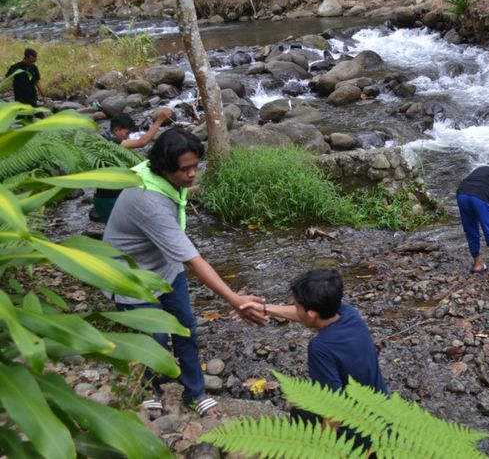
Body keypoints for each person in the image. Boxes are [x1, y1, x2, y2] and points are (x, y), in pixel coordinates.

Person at [102, 128, 267, 419]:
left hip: (164, 266)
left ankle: (195, 392)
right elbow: (193, 260)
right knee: (153, 338)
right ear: (164, 168)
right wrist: (235, 299)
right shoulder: (148, 200)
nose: (192, 175)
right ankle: (149, 389)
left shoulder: (165, 178)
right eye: (185, 169)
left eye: (195, 166)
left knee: (186, 329)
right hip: (129, 277)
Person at [253, 269, 388, 446]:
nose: (294, 306)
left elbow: (334, 407)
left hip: (360, 431)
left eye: (297, 305)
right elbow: (304, 314)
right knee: (301, 409)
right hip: (384, 415)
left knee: (301, 412)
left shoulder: (320, 348)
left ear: (311, 314)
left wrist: (323, 447)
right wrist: (265, 309)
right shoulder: (349, 314)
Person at [92, 109, 173, 224]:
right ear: (116, 129)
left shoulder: (103, 139)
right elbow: (142, 142)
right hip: (109, 199)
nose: (128, 137)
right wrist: (159, 120)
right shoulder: (109, 142)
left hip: (107, 197)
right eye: (126, 133)